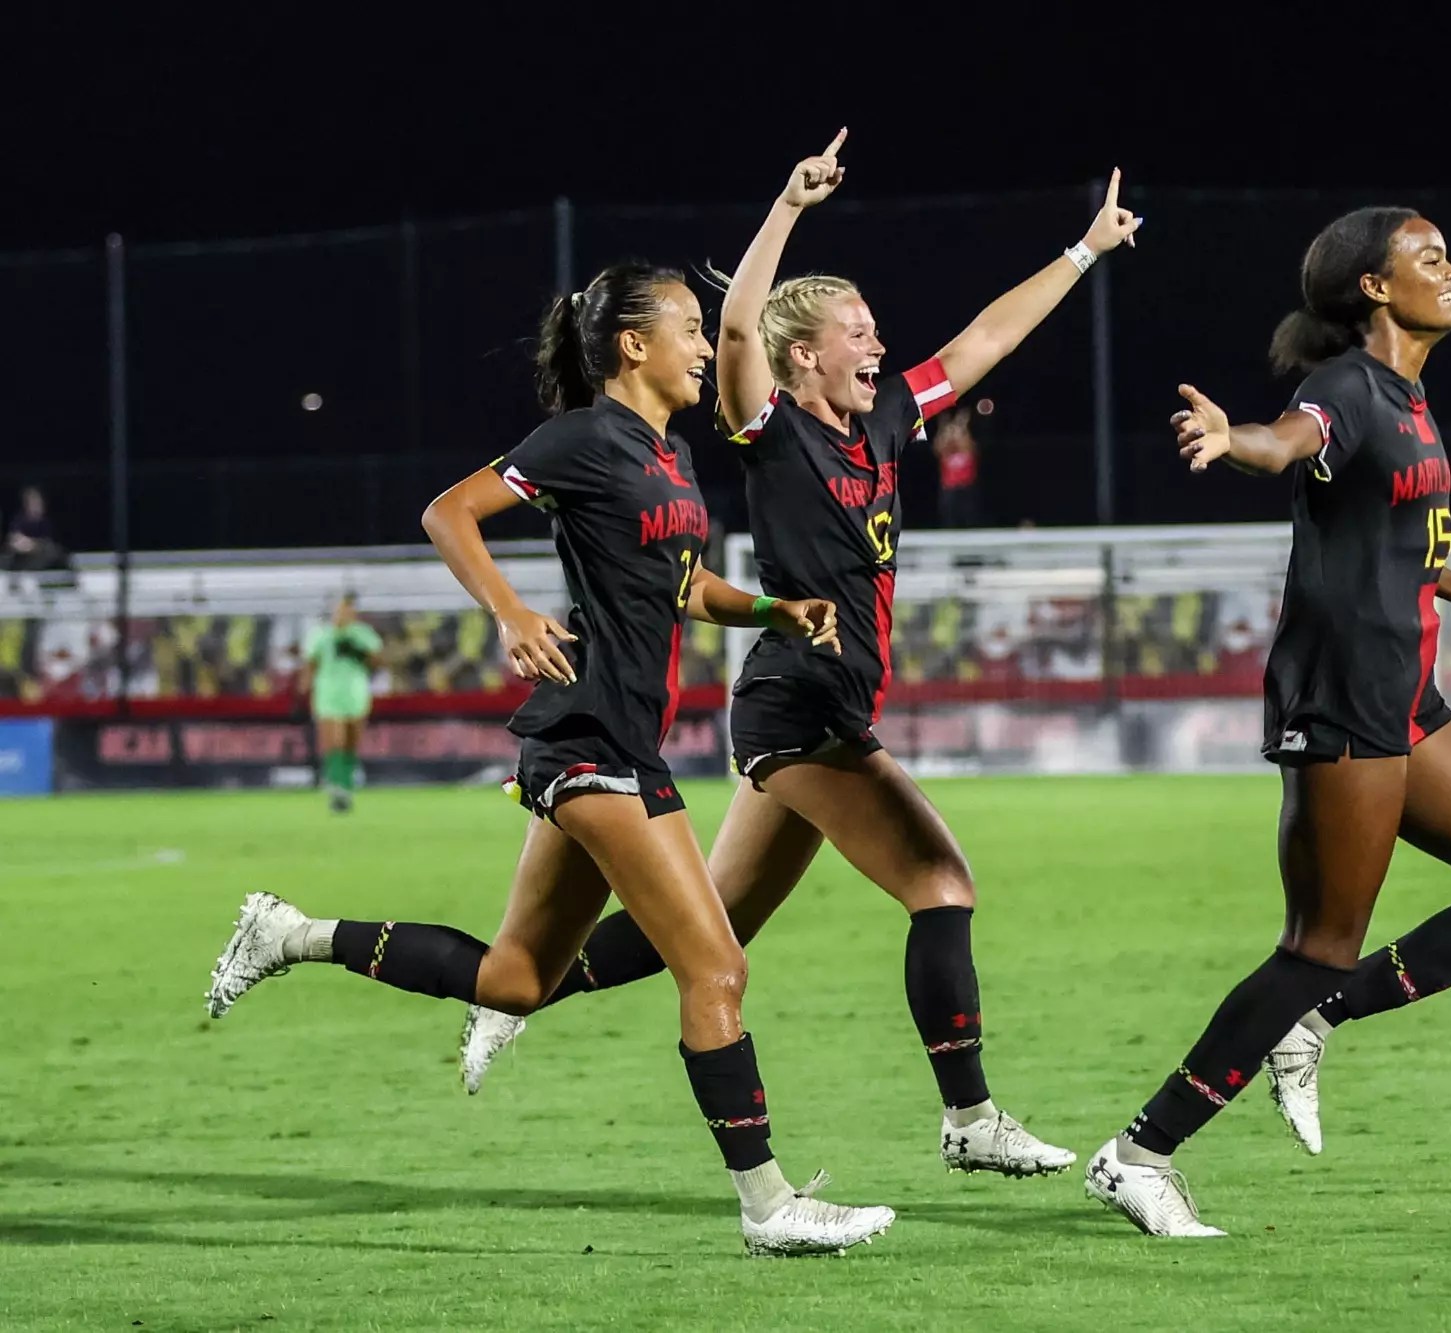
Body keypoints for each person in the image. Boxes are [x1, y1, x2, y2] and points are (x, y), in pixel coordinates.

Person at [455, 131, 1141, 1180]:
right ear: (803, 355)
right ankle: (968, 1119)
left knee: (701, 934)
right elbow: (736, 323)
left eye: (874, 330)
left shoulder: (888, 422)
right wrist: (787, 204)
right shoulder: (765, 425)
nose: (876, 344)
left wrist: (1083, 251)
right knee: (940, 885)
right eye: (853, 331)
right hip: (796, 707)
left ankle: (519, 997)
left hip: (822, 702)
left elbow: (981, 343)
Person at [203, 261, 894, 1257]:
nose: (707, 346)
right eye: (691, 329)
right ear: (633, 345)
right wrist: (512, 609)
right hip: (585, 740)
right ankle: (768, 1203)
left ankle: (289, 934)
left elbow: (687, 587)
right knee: (714, 967)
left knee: (519, 979)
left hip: (622, 740)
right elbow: (449, 512)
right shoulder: (578, 439)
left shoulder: (671, 455)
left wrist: (771, 608)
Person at [1081, 209, 1451, 1236]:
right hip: (1340, 700)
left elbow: (1392, 534)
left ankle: (1317, 1017)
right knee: (1315, 944)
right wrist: (1235, 441)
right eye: (1428, 258)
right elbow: (1290, 443)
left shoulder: (1408, 398)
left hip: (1407, 698)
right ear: (1371, 288)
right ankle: (1137, 1153)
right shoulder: (1348, 386)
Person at [298, 593, 383, 812]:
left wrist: (358, 652)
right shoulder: (320, 635)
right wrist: (303, 690)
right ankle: (336, 788)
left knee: (351, 743)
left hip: (355, 693)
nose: (344, 614)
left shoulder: (362, 634)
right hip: (328, 693)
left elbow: (376, 662)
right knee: (334, 741)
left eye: (348, 610)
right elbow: (311, 664)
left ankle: (346, 785)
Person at [5, 486, 70, 590]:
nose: (36, 506)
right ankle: (14, 585)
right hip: (24, 558)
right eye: (33, 503)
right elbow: (14, 540)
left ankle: (66, 583)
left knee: (57, 552)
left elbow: (48, 543)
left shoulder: (45, 523)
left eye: (38, 503)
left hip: (42, 557)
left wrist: (33, 545)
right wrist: (27, 545)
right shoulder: (20, 520)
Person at [931, 404, 984, 528]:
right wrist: (943, 427)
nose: (953, 435)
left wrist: (961, 425)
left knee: (969, 517)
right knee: (949, 518)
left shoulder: (967, 448)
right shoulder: (945, 450)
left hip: (966, 488)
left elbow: (964, 442)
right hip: (949, 489)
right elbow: (939, 446)